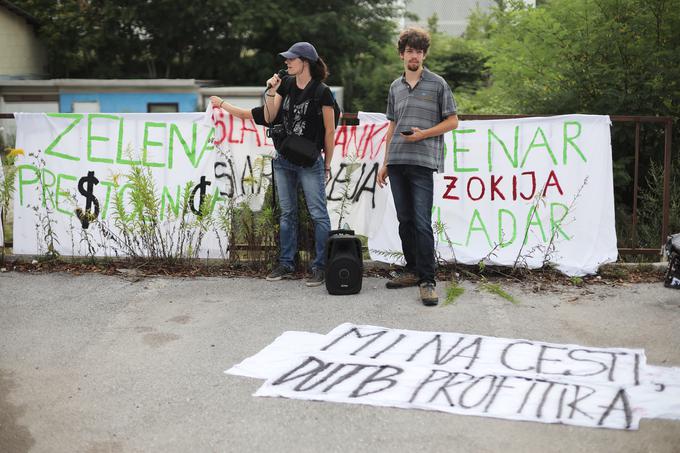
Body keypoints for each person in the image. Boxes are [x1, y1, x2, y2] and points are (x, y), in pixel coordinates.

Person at [214, 42, 334, 286]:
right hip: (284, 160)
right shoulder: (286, 85)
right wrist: (271, 91)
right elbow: (268, 117)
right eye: (287, 59)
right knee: (287, 214)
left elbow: (330, 132)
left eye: (292, 59)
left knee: (318, 214)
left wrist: (328, 165)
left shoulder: (322, 92)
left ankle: (321, 266)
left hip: (310, 162)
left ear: (306, 62)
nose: (287, 63)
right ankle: (286, 263)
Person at [377, 27, 459, 306]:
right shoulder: (394, 87)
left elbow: (453, 121)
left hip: (423, 162)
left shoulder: (438, 84)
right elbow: (391, 126)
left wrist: (424, 134)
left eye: (419, 51)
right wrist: (385, 162)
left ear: (424, 55)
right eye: (410, 51)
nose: (415, 55)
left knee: (422, 222)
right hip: (397, 161)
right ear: (402, 54)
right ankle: (412, 270)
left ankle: (428, 280)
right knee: (405, 220)